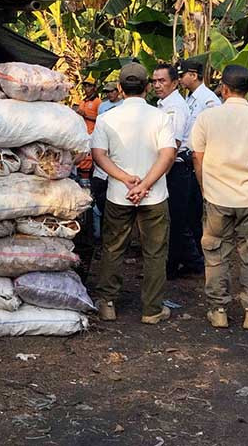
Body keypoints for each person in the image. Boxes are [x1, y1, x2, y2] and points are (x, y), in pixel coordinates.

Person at [191, 65, 248, 331]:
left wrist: (204, 187)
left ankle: (218, 310)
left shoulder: (207, 119)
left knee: (216, 255)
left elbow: (198, 157)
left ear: (224, 89)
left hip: (217, 197)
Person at [91, 63, 176, 325]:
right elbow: (168, 154)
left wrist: (125, 179)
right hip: (154, 196)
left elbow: (98, 155)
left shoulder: (106, 118)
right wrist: (145, 184)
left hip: (119, 194)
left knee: (113, 247)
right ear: (147, 88)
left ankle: (107, 303)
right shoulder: (160, 117)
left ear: (119, 89)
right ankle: (152, 309)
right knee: (155, 251)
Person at [152, 64, 204, 279]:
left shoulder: (175, 107)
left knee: (175, 219)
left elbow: (172, 147)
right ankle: (189, 260)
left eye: (162, 81)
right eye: (154, 81)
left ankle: (171, 267)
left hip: (175, 168)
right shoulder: (163, 104)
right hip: (170, 167)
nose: (157, 85)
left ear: (174, 83)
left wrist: (158, 176)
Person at [178, 60, 222, 244]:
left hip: (200, 162)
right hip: (188, 161)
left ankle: (200, 255)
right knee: (187, 212)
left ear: (193, 75)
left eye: (182, 75)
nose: (179, 79)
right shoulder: (189, 98)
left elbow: (216, 132)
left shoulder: (209, 100)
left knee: (195, 211)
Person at [73, 77, 101, 278]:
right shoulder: (83, 100)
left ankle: (94, 234)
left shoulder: (97, 103)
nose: (87, 88)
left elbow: (98, 121)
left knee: (89, 200)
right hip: (82, 154)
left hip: (91, 155)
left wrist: (84, 114)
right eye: (85, 85)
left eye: (90, 85)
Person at [91, 82, 123, 219]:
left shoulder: (124, 106)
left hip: (116, 155)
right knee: (100, 196)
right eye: (107, 92)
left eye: (112, 91)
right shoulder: (103, 106)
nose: (109, 94)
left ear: (119, 91)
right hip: (102, 155)